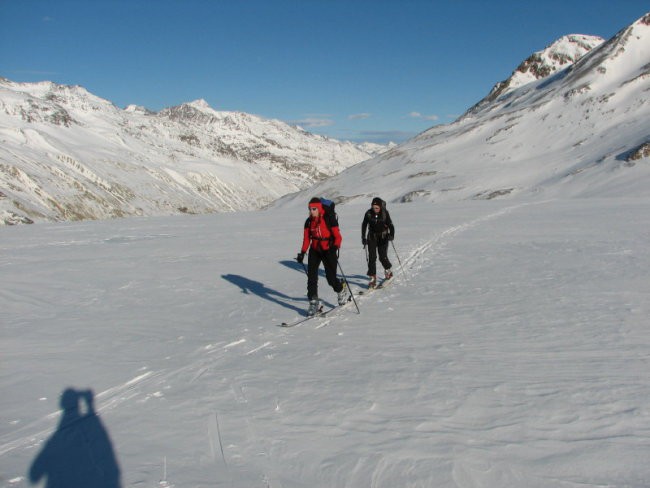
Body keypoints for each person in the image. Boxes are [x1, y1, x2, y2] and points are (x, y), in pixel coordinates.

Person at [297, 197, 348, 315]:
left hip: (328, 250)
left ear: (319, 208)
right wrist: (302, 252)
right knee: (312, 278)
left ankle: (341, 289)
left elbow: (338, 237)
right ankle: (313, 302)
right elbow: (306, 239)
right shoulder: (308, 222)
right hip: (315, 250)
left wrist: (334, 247)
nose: (311, 211)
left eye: (314, 208)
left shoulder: (329, 218)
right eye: (309, 209)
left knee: (331, 278)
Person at [361, 197, 395, 288]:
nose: (375, 209)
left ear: (380, 207)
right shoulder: (368, 213)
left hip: (383, 237)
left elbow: (391, 225)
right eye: (373, 207)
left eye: (377, 207)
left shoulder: (384, 214)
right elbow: (364, 224)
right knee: (372, 257)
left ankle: (388, 270)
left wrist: (391, 235)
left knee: (382, 256)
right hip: (372, 237)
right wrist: (363, 237)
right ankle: (372, 277)